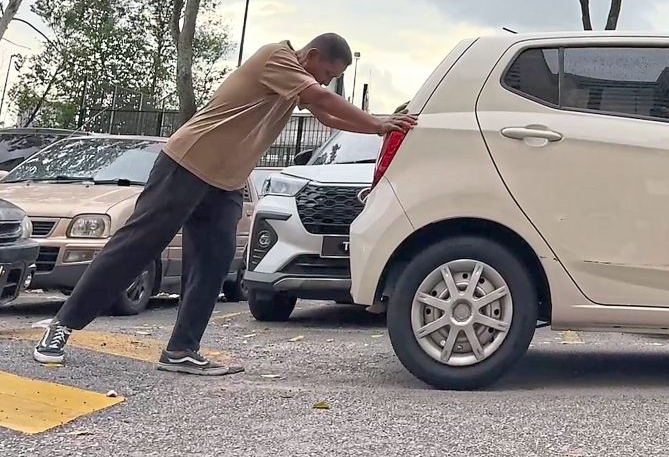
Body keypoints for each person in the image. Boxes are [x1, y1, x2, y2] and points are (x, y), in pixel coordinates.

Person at [34, 34, 416, 375]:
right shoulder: (276, 58)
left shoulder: (297, 86)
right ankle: (61, 326)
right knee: (137, 246)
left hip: (226, 183)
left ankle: (182, 349)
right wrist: (379, 123)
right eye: (326, 72)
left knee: (213, 263)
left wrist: (382, 124)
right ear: (310, 55)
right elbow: (322, 98)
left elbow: (327, 114)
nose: (325, 81)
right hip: (187, 164)